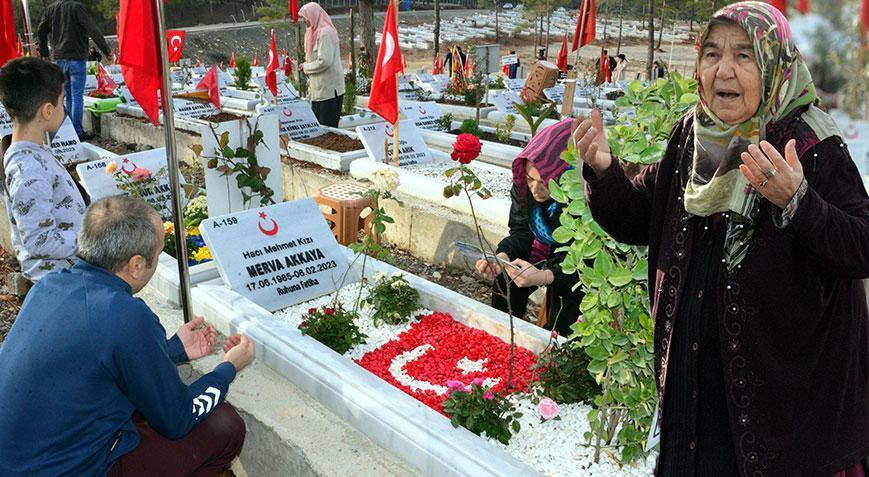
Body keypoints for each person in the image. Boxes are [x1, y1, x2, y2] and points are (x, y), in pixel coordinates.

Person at [573, 2, 869, 474]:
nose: (723, 70)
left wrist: (800, 204)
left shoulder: (810, 145)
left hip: (783, 425)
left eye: (743, 55)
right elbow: (642, 218)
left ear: (774, 62)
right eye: (711, 54)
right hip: (696, 413)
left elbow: (861, 244)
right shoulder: (695, 134)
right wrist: (605, 172)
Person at [0, 195, 256, 476]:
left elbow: (94, 359)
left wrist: (172, 349)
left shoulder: (48, 286)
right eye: (158, 253)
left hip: (17, 461)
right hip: (68, 469)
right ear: (136, 265)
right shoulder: (125, 314)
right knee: (225, 426)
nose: (157, 260)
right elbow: (178, 419)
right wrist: (229, 367)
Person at [475, 119, 582, 337]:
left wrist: (544, 276)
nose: (534, 189)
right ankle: (504, 338)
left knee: (566, 312)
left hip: (577, 267)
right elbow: (522, 231)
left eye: (543, 182)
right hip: (542, 249)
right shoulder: (524, 188)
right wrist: (502, 256)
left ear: (562, 176)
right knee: (506, 279)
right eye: (529, 179)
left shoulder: (582, 199)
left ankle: (558, 356)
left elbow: (583, 257)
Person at [0, 57, 85, 282]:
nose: (64, 107)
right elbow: (40, 241)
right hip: (61, 279)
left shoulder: (33, 153)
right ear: (47, 110)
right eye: (62, 100)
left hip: (67, 270)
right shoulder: (28, 170)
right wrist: (93, 238)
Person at [37, 0, 111, 140]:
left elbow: (41, 30)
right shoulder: (77, 7)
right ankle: (77, 131)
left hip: (59, 58)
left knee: (68, 95)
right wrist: (105, 49)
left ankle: (70, 130)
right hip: (76, 57)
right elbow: (92, 29)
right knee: (76, 95)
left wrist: (44, 52)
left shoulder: (50, 9)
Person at [298, 3, 345, 128]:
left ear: (313, 15)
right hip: (318, 91)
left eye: (305, 17)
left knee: (327, 129)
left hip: (329, 91)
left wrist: (306, 67)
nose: (304, 21)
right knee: (318, 128)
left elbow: (325, 61)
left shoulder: (325, 33)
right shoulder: (311, 33)